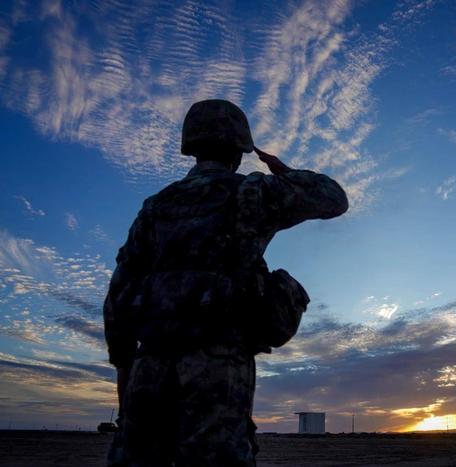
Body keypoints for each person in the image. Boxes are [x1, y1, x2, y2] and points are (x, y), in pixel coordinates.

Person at [103, 99, 348, 466]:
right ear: (240, 148)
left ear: (192, 147)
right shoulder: (253, 192)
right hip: (218, 363)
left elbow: (118, 294)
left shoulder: (156, 206)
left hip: (148, 365)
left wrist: (127, 372)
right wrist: (283, 171)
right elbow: (334, 199)